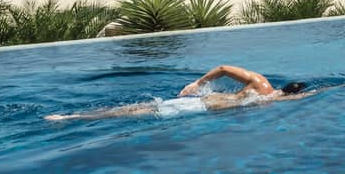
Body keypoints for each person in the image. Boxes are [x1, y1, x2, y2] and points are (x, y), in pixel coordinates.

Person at [44, 65, 310, 121]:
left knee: (142, 109)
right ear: (287, 95)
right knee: (140, 111)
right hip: (199, 106)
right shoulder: (262, 88)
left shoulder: (268, 95)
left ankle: (74, 116)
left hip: (203, 105)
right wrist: (197, 83)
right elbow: (224, 68)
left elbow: (311, 94)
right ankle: (72, 117)